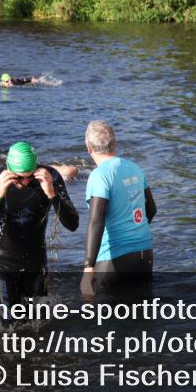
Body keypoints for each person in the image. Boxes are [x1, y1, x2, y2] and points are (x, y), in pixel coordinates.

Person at [0, 142, 79, 316]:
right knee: (8, 327)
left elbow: (73, 224)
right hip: (1, 266)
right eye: (19, 178)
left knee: (39, 325)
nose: (26, 182)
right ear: (8, 168)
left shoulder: (50, 177)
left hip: (36, 265)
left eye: (30, 176)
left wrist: (52, 194)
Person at [80, 121, 156, 298]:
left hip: (115, 260)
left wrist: (88, 267)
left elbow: (95, 222)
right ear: (114, 143)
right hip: (145, 255)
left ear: (88, 146)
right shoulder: (135, 168)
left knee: (103, 319)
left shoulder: (99, 176)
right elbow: (151, 209)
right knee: (141, 315)